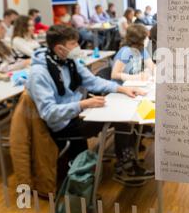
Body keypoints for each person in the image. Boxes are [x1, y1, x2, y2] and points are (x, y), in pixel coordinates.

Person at [27, 25, 154, 186]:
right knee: (121, 118)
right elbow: (49, 113)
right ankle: (125, 167)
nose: (78, 47)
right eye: (73, 44)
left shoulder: (68, 61)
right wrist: (82, 104)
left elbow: (93, 81)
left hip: (78, 111)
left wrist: (122, 88)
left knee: (123, 114)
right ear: (59, 48)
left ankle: (126, 162)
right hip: (64, 123)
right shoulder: (39, 74)